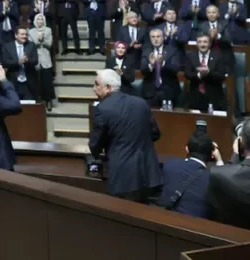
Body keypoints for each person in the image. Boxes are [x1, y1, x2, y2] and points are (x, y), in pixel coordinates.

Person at [89, 69, 163, 202]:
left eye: (96, 84)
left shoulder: (102, 109)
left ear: (108, 88)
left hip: (123, 176)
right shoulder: (140, 103)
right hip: (147, 173)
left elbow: (95, 145)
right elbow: (155, 133)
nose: (93, 88)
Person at [157, 131, 223, 217]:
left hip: (164, 219)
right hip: (196, 226)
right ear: (212, 155)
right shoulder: (212, 178)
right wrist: (219, 160)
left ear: (187, 149)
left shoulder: (169, 164)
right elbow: (222, 179)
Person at [184, 32, 227, 113]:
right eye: (200, 42)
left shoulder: (218, 56)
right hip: (195, 97)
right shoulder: (190, 56)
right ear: (196, 44)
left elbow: (222, 76)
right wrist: (199, 75)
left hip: (214, 97)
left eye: (205, 42)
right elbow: (187, 74)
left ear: (210, 43)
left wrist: (208, 73)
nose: (202, 45)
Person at [30, 13, 55, 109]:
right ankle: (38, 100)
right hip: (35, 58)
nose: (40, 21)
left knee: (47, 81)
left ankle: (49, 100)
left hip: (45, 58)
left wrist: (42, 40)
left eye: (41, 19)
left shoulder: (48, 30)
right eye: (38, 19)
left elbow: (49, 44)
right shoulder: (31, 31)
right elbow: (31, 45)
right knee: (36, 81)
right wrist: (38, 40)